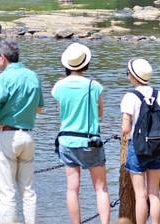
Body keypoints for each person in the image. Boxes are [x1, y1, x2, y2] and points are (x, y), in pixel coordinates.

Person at [0, 40, 44, 224]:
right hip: (27, 135)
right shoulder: (33, 76)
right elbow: (40, 108)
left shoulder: (3, 78)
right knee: (28, 190)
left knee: (6, 191)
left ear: (2, 57)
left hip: (6, 136)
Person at [53, 43, 110, 224]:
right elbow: (101, 113)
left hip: (67, 141)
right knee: (101, 189)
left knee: (72, 189)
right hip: (90, 142)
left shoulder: (59, 86)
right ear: (85, 64)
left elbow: (60, 111)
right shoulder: (94, 86)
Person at [121, 58, 160, 224]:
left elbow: (125, 128)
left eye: (128, 73)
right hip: (157, 147)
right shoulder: (159, 94)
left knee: (140, 195)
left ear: (134, 77)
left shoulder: (130, 97)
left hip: (138, 148)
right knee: (154, 193)